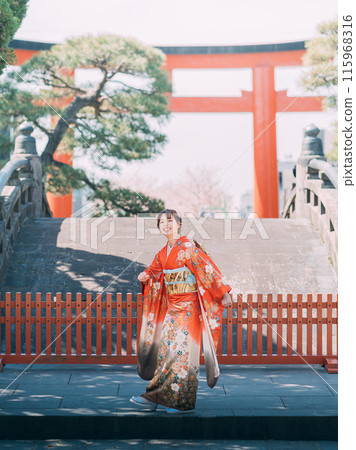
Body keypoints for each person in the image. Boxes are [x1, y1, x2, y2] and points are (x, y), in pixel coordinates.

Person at [130, 209, 232, 414]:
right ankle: (155, 396)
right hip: (172, 309)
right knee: (165, 352)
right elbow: (154, 272)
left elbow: (207, 269)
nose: (166, 225)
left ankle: (182, 402)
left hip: (188, 308)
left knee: (183, 354)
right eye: (162, 222)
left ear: (179, 224)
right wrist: (146, 276)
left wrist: (223, 292)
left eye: (170, 221)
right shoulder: (162, 253)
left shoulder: (187, 247)